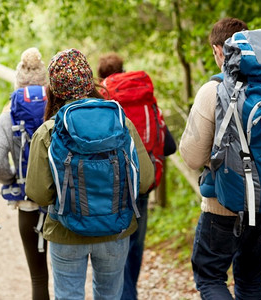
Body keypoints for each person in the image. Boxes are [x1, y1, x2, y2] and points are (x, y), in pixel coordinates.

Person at [25, 48, 155, 300]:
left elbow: (38, 193)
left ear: (54, 88)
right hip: (115, 229)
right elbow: (145, 181)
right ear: (89, 81)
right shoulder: (121, 121)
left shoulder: (49, 130)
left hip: (66, 230)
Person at [179, 18, 261, 299]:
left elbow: (192, 157)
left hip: (223, 207)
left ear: (218, 50)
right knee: (249, 279)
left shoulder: (214, 90)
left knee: (210, 278)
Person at [97, 53, 177, 300]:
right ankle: (130, 292)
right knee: (135, 245)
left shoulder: (103, 100)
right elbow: (170, 146)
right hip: (144, 181)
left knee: (114, 245)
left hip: (114, 186)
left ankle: (126, 294)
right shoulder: (146, 98)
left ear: (102, 77)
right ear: (123, 69)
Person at [0, 47, 51, 300]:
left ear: (18, 81)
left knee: (38, 279)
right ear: (46, 81)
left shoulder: (8, 113)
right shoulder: (60, 108)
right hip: (61, 203)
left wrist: (13, 178)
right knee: (69, 277)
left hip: (27, 204)